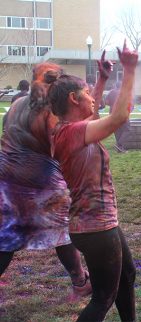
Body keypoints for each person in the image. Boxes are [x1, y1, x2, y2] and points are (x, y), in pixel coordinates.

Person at [48, 41, 138, 321]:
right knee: (102, 299)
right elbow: (119, 117)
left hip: (96, 224)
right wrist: (130, 69)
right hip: (95, 227)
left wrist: (101, 80)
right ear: (74, 99)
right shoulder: (71, 132)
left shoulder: (70, 129)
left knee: (127, 275)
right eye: (86, 93)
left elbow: (93, 113)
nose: (91, 97)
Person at [0, 63, 96, 299]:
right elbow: (61, 147)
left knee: (7, 234)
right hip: (41, 182)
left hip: (6, 179)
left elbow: (5, 133)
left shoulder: (18, 103)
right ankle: (80, 281)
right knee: (61, 230)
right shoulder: (53, 111)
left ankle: (80, 280)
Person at [105, 81, 130, 153]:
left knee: (116, 129)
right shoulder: (125, 92)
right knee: (127, 129)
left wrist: (112, 105)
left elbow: (106, 102)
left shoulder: (111, 92)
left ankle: (120, 148)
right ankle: (119, 144)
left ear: (116, 86)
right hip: (122, 112)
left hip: (112, 113)